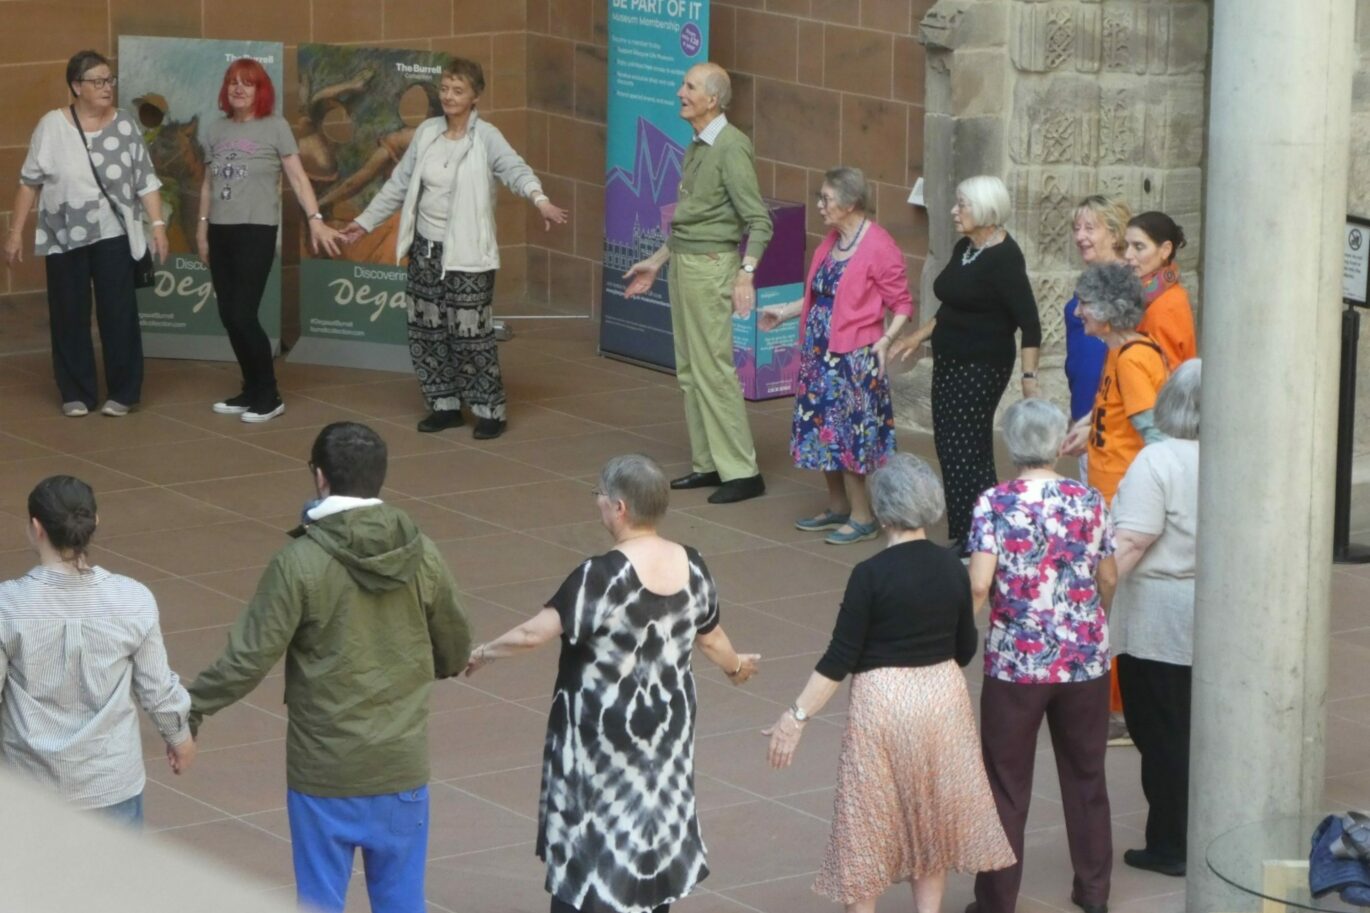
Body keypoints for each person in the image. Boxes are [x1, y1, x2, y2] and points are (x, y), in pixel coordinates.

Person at [187, 422, 472, 913]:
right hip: (400, 766)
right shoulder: (421, 552)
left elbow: (247, 658)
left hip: (324, 771)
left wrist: (189, 711)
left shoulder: (298, 561)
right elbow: (454, 648)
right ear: (380, 478)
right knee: (402, 900)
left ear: (320, 477)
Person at [464, 453, 760, 913]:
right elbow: (712, 638)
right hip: (666, 729)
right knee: (651, 821)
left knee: (590, 833)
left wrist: (482, 653)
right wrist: (736, 666)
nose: (597, 504)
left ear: (619, 508)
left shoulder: (601, 576)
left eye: (599, 497)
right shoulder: (694, 564)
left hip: (600, 734)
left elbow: (533, 634)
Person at [765, 453, 1014, 913]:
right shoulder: (952, 570)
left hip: (884, 702)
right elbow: (964, 649)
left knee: (867, 824)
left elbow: (839, 659)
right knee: (931, 820)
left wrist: (795, 716)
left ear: (881, 509)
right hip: (943, 700)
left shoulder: (869, 576)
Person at [342, 58, 567, 440]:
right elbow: (398, 185)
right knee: (426, 331)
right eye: (445, 88)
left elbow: (515, 169)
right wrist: (363, 223)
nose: (449, 96)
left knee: (470, 334)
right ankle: (443, 405)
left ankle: (489, 410)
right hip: (426, 249)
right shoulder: (427, 133)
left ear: (475, 96)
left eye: (457, 90)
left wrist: (539, 199)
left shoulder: (486, 137)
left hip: (468, 254)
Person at [967, 398, 1117, 913]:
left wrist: (965, 632)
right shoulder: (1090, 500)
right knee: (1087, 776)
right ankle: (1094, 892)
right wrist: (1093, 623)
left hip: (1015, 663)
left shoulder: (993, 503)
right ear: (1058, 444)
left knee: (1006, 785)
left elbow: (981, 583)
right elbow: (1109, 575)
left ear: (1011, 445)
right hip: (1085, 660)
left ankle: (996, 901)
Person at [0, 475, 195, 828]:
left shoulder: (8, 606)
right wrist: (178, 736)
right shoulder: (133, 599)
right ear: (95, 524)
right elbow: (156, 687)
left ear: (35, 528)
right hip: (112, 785)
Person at [623, 62, 772, 505]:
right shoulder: (697, 144)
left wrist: (745, 273)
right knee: (690, 371)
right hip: (685, 263)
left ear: (712, 99)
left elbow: (758, 221)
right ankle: (709, 463)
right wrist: (656, 260)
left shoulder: (731, 147)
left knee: (713, 370)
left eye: (688, 87)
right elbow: (690, 222)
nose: (679, 93)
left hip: (711, 267)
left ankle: (743, 472)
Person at [3, 49, 169, 418]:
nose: (107, 87)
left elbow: (146, 181)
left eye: (109, 80)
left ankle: (124, 392)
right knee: (69, 313)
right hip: (63, 234)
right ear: (76, 86)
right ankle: (76, 391)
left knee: (119, 312)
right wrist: (15, 233)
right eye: (98, 81)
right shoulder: (52, 126)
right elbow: (29, 183)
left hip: (113, 233)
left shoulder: (125, 124)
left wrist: (157, 225)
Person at [758, 166, 912, 544]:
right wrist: (785, 312)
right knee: (821, 433)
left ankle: (862, 518)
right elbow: (818, 293)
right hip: (818, 355)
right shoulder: (831, 240)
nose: (820, 205)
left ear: (851, 203)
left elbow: (903, 303)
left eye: (826, 198)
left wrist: (886, 339)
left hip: (853, 359)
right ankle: (839, 507)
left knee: (847, 437)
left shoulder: (879, 245)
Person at [888, 175, 1040, 555]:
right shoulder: (965, 248)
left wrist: (1028, 379)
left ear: (987, 212)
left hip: (982, 366)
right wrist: (916, 337)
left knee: (967, 447)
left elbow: (1030, 323)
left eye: (963, 205)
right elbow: (951, 304)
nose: (955, 211)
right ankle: (965, 531)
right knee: (949, 444)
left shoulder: (1005, 258)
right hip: (950, 362)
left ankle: (981, 537)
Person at [198, 58, 343, 424]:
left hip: (256, 229)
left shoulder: (275, 127)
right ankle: (250, 389)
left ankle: (269, 393)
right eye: (232, 82)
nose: (238, 89)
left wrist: (315, 220)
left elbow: (297, 178)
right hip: (220, 229)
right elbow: (208, 184)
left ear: (260, 90)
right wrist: (202, 229)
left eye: (247, 83)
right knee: (228, 316)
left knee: (244, 314)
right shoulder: (215, 130)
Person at [1111, 359, 1201, 878]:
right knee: (1191, 728)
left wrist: (1092, 603)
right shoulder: (1234, 456)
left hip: (1158, 617)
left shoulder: (1158, 460)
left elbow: (1132, 542)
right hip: (1210, 606)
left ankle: (1170, 843)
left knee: (1159, 732)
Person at [1062, 262, 1170, 506]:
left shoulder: (1131, 359)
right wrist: (1088, 428)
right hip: (1111, 493)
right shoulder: (1118, 350)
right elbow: (1115, 407)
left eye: (1085, 304)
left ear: (1108, 310)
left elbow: (1154, 435)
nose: (1078, 313)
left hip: (1124, 497)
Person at [1064, 196, 1131, 431]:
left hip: (1113, 418)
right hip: (1084, 410)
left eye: (1089, 228)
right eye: (1077, 228)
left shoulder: (1128, 285)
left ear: (1114, 234)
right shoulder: (1090, 280)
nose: (1080, 236)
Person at [1125, 211, 1196, 370]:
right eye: (1127, 246)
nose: (1128, 255)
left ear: (1165, 250)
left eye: (1138, 246)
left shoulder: (1165, 306)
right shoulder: (1155, 297)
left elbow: (1165, 378)